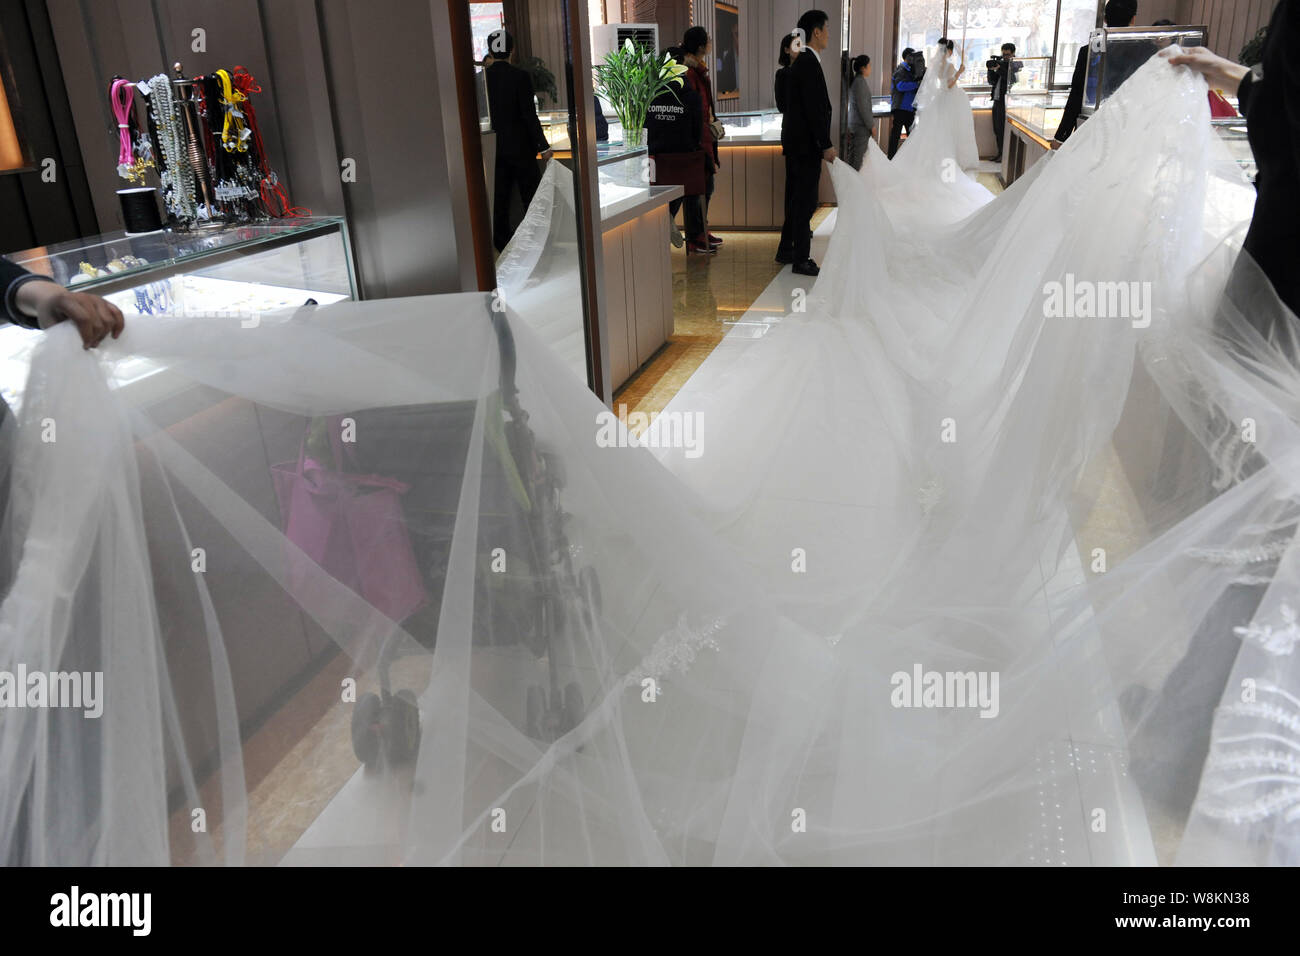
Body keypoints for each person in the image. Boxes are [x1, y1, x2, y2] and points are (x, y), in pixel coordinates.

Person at [777, 10, 835, 276]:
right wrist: (825, 143)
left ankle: (787, 250)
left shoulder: (803, 62)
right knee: (804, 201)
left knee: (797, 199)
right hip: (805, 145)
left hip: (798, 144)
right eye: (826, 29)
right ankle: (801, 258)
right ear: (816, 32)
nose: (828, 35)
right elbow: (814, 108)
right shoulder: (808, 62)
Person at [483, 30, 551, 253]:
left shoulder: (484, 77)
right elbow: (529, 116)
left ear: (491, 50)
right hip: (522, 148)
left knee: (500, 202)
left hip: (495, 150)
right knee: (531, 198)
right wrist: (544, 147)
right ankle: (537, 243)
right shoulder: (520, 77)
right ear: (512, 50)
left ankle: (503, 246)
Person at [647, 47, 711, 254]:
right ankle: (681, 230)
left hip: (657, 158)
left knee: (662, 197)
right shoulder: (689, 95)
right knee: (685, 193)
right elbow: (696, 128)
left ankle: (661, 226)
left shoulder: (650, 93)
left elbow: (645, 126)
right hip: (684, 157)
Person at [1053, 0, 1140, 145]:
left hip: (1091, 127)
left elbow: (1077, 94)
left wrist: (1061, 135)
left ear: (1105, 19)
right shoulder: (1143, 51)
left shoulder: (1089, 50)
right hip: (1128, 129)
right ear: (1133, 19)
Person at [894, 38, 978, 173]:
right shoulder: (949, 66)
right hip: (950, 98)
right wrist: (959, 73)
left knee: (940, 130)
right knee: (951, 130)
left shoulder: (936, 65)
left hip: (940, 99)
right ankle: (950, 161)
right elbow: (948, 85)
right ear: (949, 51)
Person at [683, 27, 723, 251]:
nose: (709, 43)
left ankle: (701, 230)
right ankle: (695, 236)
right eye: (707, 40)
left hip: (704, 136)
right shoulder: (690, 73)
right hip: (698, 139)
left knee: (707, 186)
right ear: (700, 46)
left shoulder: (699, 71)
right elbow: (695, 109)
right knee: (699, 188)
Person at [987, 42, 1022, 163]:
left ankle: (1004, 155)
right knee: (996, 129)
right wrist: (991, 69)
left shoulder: (1017, 64)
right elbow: (991, 81)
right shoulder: (1001, 64)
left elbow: (1012, 79)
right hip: (997, 100)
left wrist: (999, 68)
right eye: (1004, 54)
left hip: (1007, 102)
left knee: (1002, 129)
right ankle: (999, 153)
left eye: (1007, 54)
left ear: (1013, 53)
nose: (1005, 57)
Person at [888, 47, 921, 158]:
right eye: (913, 56)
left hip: (909, 108)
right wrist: (916, 84)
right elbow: (900, 86)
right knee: (895, 136)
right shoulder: (901, 69)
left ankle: (911, 160)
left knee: (912, 136)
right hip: (900, 108)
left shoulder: (911, 70)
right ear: (908, 57)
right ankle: (891, 159)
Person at [845, 54, 875, 170]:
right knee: (858, 160)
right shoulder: (859, 83)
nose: (870, 68)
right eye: (869, 66)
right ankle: (853, 184)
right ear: (863, 68)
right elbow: (864, 108)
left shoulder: (858, 81)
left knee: (854, 157)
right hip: (860, 126)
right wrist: (871, 126)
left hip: (856, 125)